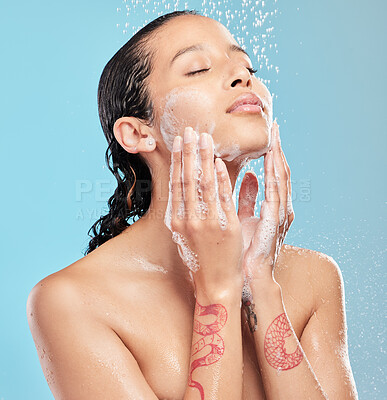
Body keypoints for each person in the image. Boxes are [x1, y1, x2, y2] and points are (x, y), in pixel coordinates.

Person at [26, 10, 358, 400]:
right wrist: (217, 289)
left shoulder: (314, 278)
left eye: (248, 66)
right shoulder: (73, 301)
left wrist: (260, 287)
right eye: (198, 68)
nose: (243, 76)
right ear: (136, 132)